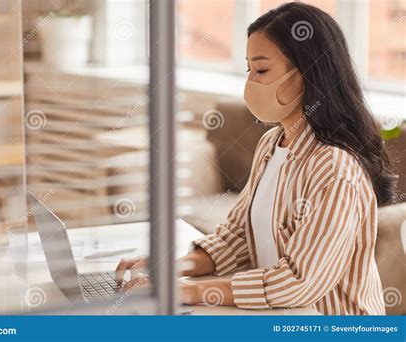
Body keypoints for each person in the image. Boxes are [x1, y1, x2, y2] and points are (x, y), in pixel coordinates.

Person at [115, 2, 396, 315]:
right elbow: (237, 237)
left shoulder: (335, 170)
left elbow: (298, 281)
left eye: (261, 70)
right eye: (250, 69)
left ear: (307, 73)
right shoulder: (271, 144)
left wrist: (189, 291)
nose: (250, 82)